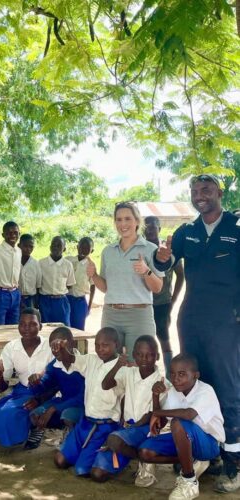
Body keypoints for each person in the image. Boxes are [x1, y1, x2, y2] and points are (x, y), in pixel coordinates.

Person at [154, 174, 240, 493]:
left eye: (206, 190)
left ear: (220, 192)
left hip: (226, 322)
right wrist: (160, 258)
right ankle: (208, 453)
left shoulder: (236, 228)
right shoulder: (186, 231)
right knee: (192, 385)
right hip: (190, 320)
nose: (199, 195)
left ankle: (234, 463)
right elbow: (163, 262)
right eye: (194, 191)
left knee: (227, 387)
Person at [138, 353, 225, 500]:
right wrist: (155, 396)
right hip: (184, 439)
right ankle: (189, 462)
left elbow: (188, 414)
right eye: (172, 374)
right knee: (145, 453)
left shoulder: (205, 391)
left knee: (178, 423)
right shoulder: (174, 391)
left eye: (182, 374)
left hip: (208, 444)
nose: (175, 378)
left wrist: (157, 412)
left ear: (196, 375)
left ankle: (189, 481)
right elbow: (163, 421)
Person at [87, 202, 164, 357]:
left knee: (138, 365)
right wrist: (94, 275)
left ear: (137, 221)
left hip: (139, 315)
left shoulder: (150, 249)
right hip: (111, 315)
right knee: (110, 365)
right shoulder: (108, 251)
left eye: (128, 219)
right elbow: (106, 287)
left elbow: (158, 288)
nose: (123, 224)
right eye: (119, 219)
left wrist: (146, 271)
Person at [90, 335, 167, 485]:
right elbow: (106, 385)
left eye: (150, 355)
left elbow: (154, 416)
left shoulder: (163, 383)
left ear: (157, 356)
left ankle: (145, 461)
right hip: (127, 432)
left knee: (113, 439)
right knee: (97, 474)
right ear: (134, 355)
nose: (144, 359)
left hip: (145, 429)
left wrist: (127, 430)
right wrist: (119, 364)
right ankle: (138, 456)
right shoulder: (128, 373)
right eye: (139, 354)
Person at [0, 308, 53, 447]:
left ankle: (37, 428)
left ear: (40, 326)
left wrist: (40, 399)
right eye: (22, 324)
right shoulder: (11, 347)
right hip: (23, 391)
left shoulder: (49, 346)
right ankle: (29, 424)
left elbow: (58, 380)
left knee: (11, 414)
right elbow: (3, 387)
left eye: (32, 324)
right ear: (17, 326)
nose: (27, 328)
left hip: (47, 393)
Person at [54, 327, 123, 476]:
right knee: (60, 460)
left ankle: (110, 455)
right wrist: (62, 349)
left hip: (105, 426)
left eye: (105, 345)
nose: (100, 349)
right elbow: (71, 359)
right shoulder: (92, 360)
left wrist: (119, 364)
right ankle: (82, 451)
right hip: (85, 423)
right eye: (97, 345)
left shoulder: (124, 368)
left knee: (82, 470)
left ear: (116, 345)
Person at [26, 326, 85, 449]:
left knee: (67, 415)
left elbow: (82, 397)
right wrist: (36, 382)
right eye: (52, 347)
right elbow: (45, 385)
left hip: (83, 405)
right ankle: (39, 430)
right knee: (35, 414)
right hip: (64, 402)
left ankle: (73, 438)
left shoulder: (83, 364)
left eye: (59, 345)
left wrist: (53, 408)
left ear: (72, 343)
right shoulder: (54, 365)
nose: (56, 350)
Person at [144, 216, 184, 377]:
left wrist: (173, 300)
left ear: (159, 229)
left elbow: (180, 275)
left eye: (153, 227)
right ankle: (146, 376)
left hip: (162, 303)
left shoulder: (168, 250)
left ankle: (170, 376)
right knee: (143, 342)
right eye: (146, 227)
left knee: (164, 340)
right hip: (142, 304)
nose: (150, 230)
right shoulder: (139, 248)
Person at [38, 236, 75, 325]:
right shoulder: (41, 263)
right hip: (45, 301)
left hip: (61, 301)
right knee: (45, 327)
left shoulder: (68, 265)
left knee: (63, 327)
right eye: (53, 245)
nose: (55, 247)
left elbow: (69, 284)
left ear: (64, 249)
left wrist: (58, 292)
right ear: (50, 247)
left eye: (59, 245)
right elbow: (38, 284)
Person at [65, 237, 96, 330]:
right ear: (77, 247)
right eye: (81, 247)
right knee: (65, 327)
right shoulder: (68, 260)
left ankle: (78, 345)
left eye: (87, 248)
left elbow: (93, 286)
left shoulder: (91, 265)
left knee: (78, 329)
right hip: (66, 299)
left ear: (92, 250)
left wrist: (89, 306)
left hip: (80, 301)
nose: (83, 250)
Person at [18, 234, 41, 309]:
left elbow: (38, 285)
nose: (28, 249)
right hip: (16, 298)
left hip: (30, 299)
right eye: (25, 246)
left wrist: (36, 301)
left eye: (31, 247)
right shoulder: (14, 261)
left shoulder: (36, 264)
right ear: (19, 245)